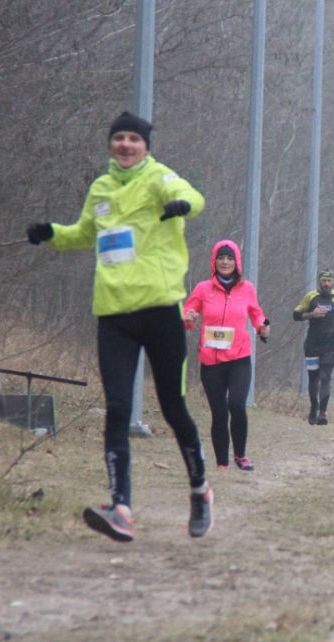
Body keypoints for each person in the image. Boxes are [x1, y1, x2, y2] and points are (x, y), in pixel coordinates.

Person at [25, 111, 213, 542]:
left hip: (161, 310)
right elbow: (84, 233)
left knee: (173, 408)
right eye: (119, 138)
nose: (126, 144)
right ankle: (121, 508)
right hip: (113, 315)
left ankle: (200, 490)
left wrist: (182, 206)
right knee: (117, 409)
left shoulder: (159, 178)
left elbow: (193, 196)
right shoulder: (101, 188)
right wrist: (50, 233)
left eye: (134, 139)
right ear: (111, 144)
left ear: (146, 146)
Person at [183, 240, 270, 473]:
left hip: (239, 358)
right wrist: (188, 318)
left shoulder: (247, 288)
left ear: (237, 262)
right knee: (219, 412)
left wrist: (262, 326)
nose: (225, 262)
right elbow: (188, 313)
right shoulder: (203, 289)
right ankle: (222, 462)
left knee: (237, 405)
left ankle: (240, 455)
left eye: (230, 258)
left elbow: (256, 313)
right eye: (221, 257)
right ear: (214, 261)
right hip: (211, 361)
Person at [293, 269, 334, 425]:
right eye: (324, 281)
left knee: (325, 376)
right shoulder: (311, 297)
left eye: (329, 281)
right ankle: (314, 407)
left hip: (331, 343)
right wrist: (311, 314)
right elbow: (296, 315)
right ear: (319, 282)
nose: (326, 284)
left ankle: (323, 412)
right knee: (314, 377)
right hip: (312, 344)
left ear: (333, 282)